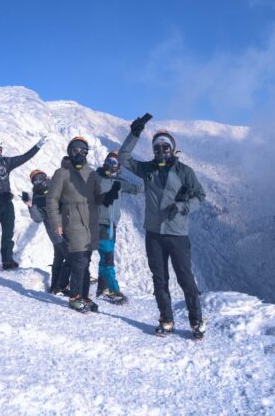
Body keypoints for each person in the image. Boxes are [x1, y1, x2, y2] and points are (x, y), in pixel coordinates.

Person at [118, 114, 207, 339]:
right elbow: (123, 157)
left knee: (185, 278)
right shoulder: (148, 169)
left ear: (172, 148)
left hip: (177, 234)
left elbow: (200, 196)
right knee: (160, 279)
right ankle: (166, 320)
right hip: (154, 234)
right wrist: (134, 134)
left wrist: (183, 206)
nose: (161, 152)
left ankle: (196, 322)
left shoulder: (184, 172)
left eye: (165, 147)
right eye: (157, 148)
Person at [46, 136, 120, 313]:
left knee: (86, 260)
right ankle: (75, 297)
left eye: (83, 151)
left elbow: (97, 197)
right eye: (75, 151)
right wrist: (56, 223)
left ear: (87, 153)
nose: (79, 154)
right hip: (72, 221)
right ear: (69, 152)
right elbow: (52, 199)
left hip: (90, 221)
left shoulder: (91, 173)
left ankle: (84, 295)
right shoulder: (61, 173)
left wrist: (108, 196)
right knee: (79, 260)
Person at [0, 136, 48, 272]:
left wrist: (38, 146)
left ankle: (8, 260)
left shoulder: (7, 162)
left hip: (7, 203)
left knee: (8, 234)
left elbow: (25, 157)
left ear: (1, 150)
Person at [95, 150, 142, 304]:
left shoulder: (119, 182)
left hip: (112, 225)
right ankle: (114, 289)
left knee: (105, 257)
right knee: (108, 259)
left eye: (114, 162)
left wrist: (151, 177)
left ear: (119, 166)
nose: (110, 164)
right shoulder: (97, 178)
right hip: (100, 224)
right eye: (108, 161)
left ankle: (102, 289)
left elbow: (136, 189)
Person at [22, 169, 71, 295]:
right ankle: (61, 286)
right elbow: (37, 218)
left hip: (68, 227)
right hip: (55, 231)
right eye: (35, 180)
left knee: (60, 257)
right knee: (71, 257)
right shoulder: (37, 197)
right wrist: (30, 205)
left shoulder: (56, 187)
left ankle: (55, 287)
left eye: (41, 177)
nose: (39, 181)